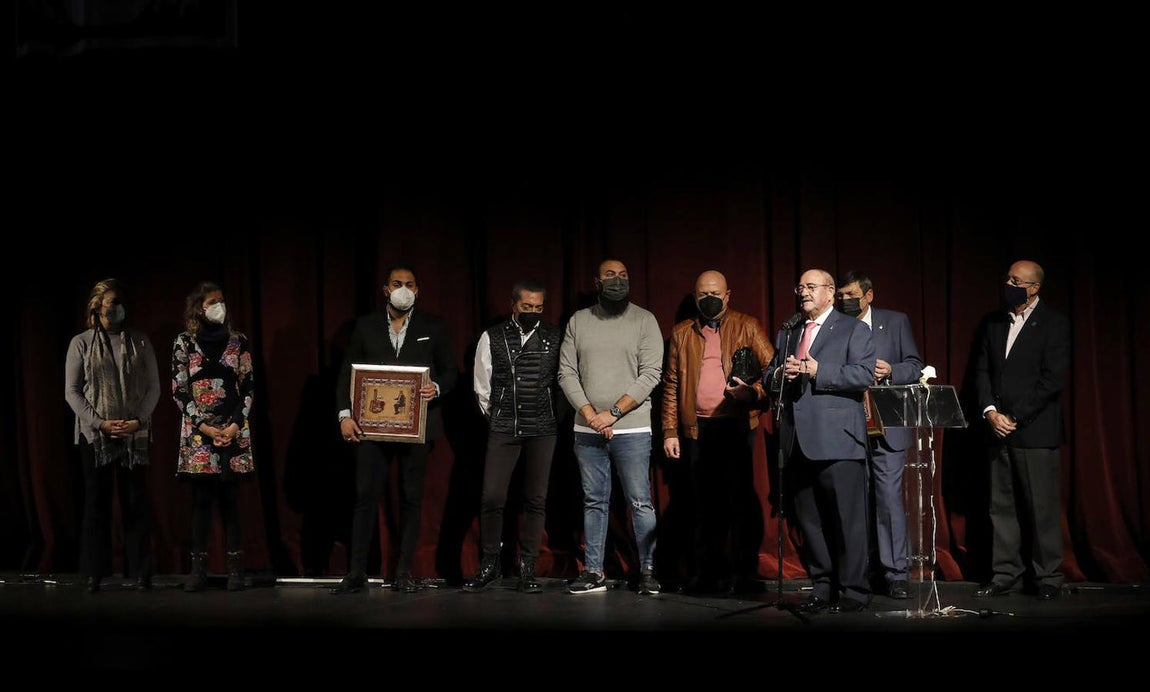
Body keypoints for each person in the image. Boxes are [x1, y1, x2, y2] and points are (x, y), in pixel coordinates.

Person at [332, 264, 458, 594]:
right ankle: (357, 572)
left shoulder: (434, 326)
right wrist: (345, 415)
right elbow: (347, 373)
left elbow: (450, 372)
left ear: (418, 290)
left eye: (410, 284)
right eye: (397, 283)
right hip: (370, 428)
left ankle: (404, 572)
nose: (404, 289)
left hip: (417, 428)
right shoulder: (365, 326)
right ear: (385, 289)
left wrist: (438, 388)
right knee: (364, 496)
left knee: (411, 498)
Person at [764, 268, 876, 613]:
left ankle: (854, 590)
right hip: (797, 440)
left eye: (811, 287)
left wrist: (818, 371)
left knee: (847, 521)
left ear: (830, 293)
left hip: (839, 441)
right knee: (810, 522)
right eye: (800, 287)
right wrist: (781, 373)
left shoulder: (853, 329)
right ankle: (822, 586)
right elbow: (769, 374)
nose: (803, 292)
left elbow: (864, 374)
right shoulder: (790, 331)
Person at [662, 269, 775, 595]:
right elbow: (671, 385)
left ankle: (742, 575)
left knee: (739, 501)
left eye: (716, 293)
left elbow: (772, 372)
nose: (710, 299)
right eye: (703, 294)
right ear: (695, 297)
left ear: (728, 295)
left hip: (736, 426)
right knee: (702, 505)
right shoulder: (682, 333)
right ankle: (707, 575)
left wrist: (752, 393)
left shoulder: (747, 325)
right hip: (697, 429)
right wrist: (670, 430)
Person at [557, 258, 664, 595]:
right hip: (587, 431)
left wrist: (613, 413)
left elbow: (651, 374)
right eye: (610, 275)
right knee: (594, 501)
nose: (617, 281)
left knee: (640, 502)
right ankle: (593, 570)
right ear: (597, 282)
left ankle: (647, 570)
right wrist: (590, 414)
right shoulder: (579, 321)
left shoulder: (645, 321)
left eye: (623, 275)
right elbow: (566, 372)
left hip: (631, 430)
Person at [972, 260, 1070, 601]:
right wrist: (990, 412)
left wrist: (1014, 416)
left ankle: (1048, 577)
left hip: (1035, 431)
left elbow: (1052, 380)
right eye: (1008, 278)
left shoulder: (1054, 323)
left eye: (1017, 280)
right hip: (996, 429)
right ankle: (1006, 574)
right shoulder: (994, 322)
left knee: (1040, 508)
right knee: (1001, 507)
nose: (1009, 284)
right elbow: (981, 370)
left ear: (1035, 287)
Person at [462, 279, 560, 594]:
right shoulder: (491, 337)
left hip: (542, 427)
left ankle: (527, 566)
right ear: (513, 305)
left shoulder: (555, 337)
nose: (533, 312)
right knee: (492, 496)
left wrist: (550, 416)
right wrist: (502, 415)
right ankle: (490, 562)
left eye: (538, 307)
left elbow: (563, 382)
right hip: (504, 426)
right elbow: (482, 386)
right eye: (526, 306)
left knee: (535, 499)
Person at [65, 278, 161, 594]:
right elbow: (73, 392)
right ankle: (95, 573)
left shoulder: (141, 341)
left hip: (134, 436)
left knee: (136, 503)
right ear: (97, 306)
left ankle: (141, 573)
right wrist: (101, 423)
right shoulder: (81, 343)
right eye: (111, 302)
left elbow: (153, 388)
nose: (117, 306)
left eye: (120, 301)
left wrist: (137, 420)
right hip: (96, 437)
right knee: (97, 504)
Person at [836, 270, 924, 600]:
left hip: (887, 425)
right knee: (855, 501)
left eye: (851, 294)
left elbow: (915, 365)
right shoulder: (835, 327)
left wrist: (893, 370)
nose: (845, 300)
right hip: (848, 426)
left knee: (888, 499)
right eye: (840, 295)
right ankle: (860, 571)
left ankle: (895, 573)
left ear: (868, 295)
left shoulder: (895, 321)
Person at [171, 281, 257, 592]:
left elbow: (248, 387)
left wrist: (235, 425)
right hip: (199, 435)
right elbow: (179, 390)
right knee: (202, 503)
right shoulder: (184, 343)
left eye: (222, 300)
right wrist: (204, 427)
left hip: (233, 429)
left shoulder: (238, 342)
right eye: (212, 301)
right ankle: (198, 570)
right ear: (198, 307)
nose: (219, 305)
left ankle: (236, 570)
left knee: (231, 502)